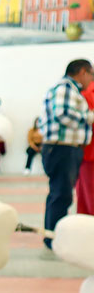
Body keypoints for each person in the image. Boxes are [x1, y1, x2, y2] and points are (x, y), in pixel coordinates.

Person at [39, 59, 94, 246]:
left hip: (65, 149)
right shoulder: (65, 88)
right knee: (61, 194)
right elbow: (62, 113)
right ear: (83, 72)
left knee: (59, 193)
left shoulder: (68, 89)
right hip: (62, 148)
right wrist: (89, 117)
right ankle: (54, 239)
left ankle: (52, 235)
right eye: (91, 75)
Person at [77, 80, 94, 215]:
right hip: (89, 152)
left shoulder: (84, 93)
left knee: (85, 194)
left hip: (85, 152)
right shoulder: (87, 94)